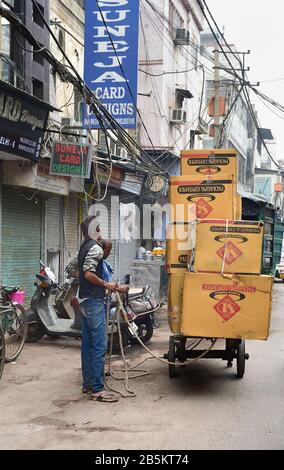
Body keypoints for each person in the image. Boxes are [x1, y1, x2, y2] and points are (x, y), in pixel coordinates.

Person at [78, 216, 128, 402]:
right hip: (93, 301)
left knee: (87, 344)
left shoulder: (83, 246)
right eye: (98, 227)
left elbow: (75, 271)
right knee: (99, 344)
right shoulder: (96, 248)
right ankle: (98, 390)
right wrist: (107, 285)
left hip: (84, 299)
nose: (101, 230)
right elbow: (88, 273)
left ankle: (88, 383)